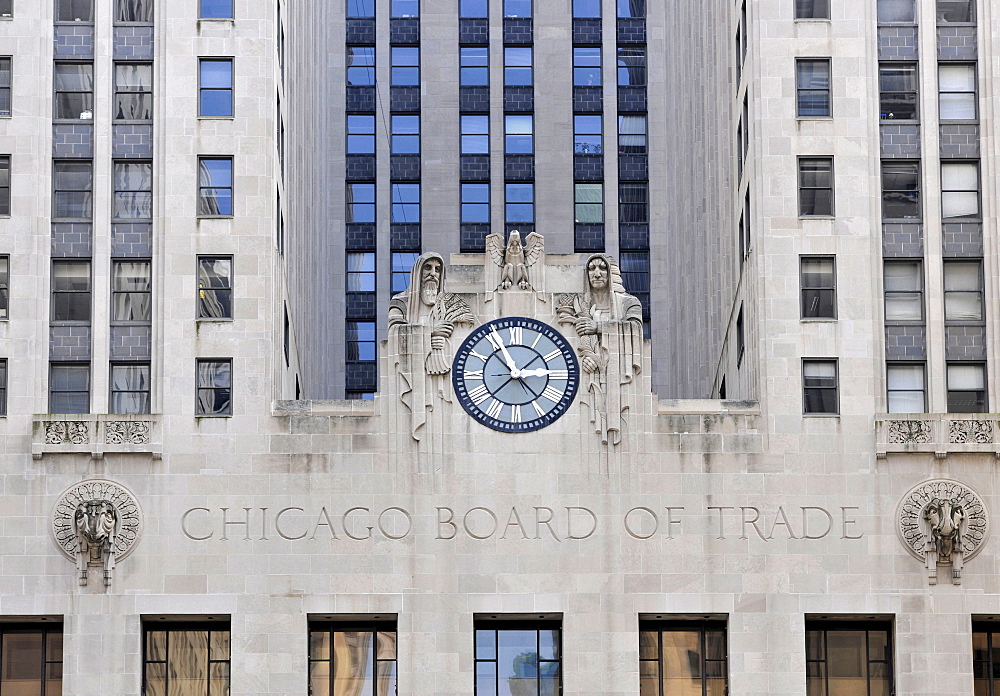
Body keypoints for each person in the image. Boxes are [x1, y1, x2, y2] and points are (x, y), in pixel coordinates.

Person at [557, 254, 643, 445]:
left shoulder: (629, 303)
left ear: (610, 273)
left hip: (614, 375)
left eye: (602, 268)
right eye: (592, 269)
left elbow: (635, 329)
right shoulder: (582, 306)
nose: (597, 274)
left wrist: (598, 328)